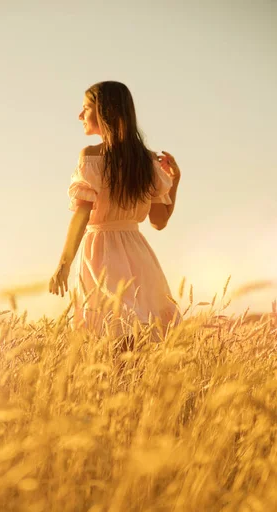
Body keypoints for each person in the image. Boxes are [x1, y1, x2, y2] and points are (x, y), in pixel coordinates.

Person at [48, 81, 182, 346]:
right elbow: (159, 221)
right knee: (134, 337)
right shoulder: (146, 161)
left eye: (85, 108)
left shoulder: (91, 158)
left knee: (110, 336)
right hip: (137, 253)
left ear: (105, 112)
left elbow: (81, 216)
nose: (79, 115)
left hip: (101, 253)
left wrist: (64, 264)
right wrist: (174, 181)